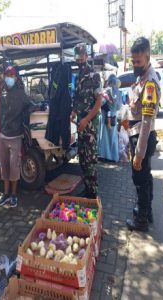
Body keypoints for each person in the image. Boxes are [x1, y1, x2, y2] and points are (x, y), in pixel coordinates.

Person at [125, 37, 160, 232]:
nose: (135, 65)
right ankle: (146, 211)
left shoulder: (150, 83)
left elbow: (147, 122)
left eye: (138, 62)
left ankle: (141, 221)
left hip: (142, 138)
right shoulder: (142, 76)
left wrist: (138, 153)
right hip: (137, 134)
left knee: (140, 180)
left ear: (148, 57)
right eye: (133, 61)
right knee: (146, 176)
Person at [0, 66, 34, 208]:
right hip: (3, 136)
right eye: (7, 75)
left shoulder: (20, 94)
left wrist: (24, 115)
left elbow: (31, 105)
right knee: (4, 167)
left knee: (14, 167)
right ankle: (5, 194)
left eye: (11, 75)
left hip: (15, 137)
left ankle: (13, 195)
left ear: (16, 77)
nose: (9, 78)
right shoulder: (2, 95)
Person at [71, 43, 102, 198]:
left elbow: (99, 101)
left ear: (87, 56)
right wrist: (74, 111)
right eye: (77, 55)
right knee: (82, 159)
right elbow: (77, 98)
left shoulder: (94, 75)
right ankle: (87, 188)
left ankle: (93, 193)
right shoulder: (78, 77)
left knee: (90, 160)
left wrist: (86, 119)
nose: (80, 58)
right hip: (81, 124)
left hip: (89, 125)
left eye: (82, 55)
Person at [98, 74, 122, 162]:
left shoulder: (106, 91)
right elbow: (119, 106)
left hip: (105, 117)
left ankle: (104, 155)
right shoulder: (119, 92)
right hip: (113, 118)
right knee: (113, 137)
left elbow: (101, 103)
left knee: (104, 137)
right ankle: (114, 157)